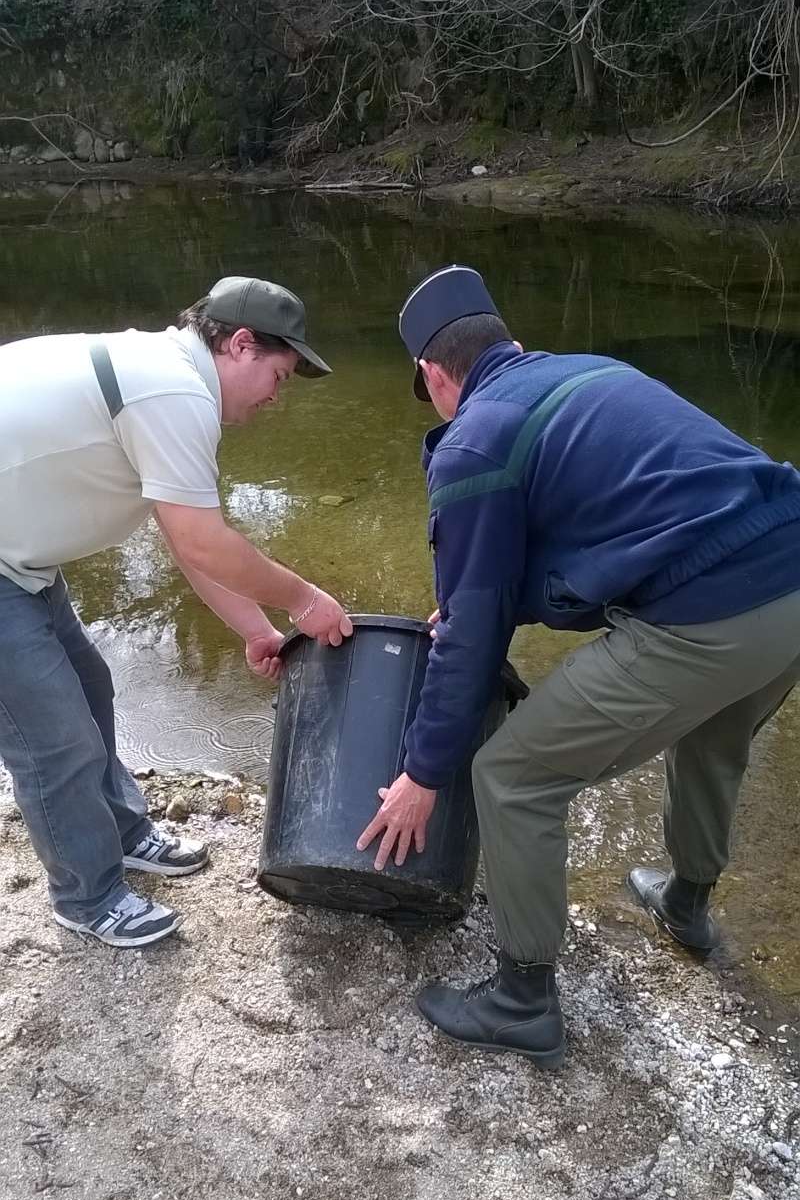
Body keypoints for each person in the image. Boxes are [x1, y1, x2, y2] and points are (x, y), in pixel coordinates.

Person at [357, 264, 800, 1069]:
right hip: (789, 576)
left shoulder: (475, 440)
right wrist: (473, 603)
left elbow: (470, 645)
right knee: (712, 737)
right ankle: (687, 905)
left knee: (514, 775)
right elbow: (615, 525)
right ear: (510, 343)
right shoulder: (587, 373)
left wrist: (424, 772)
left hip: (711, 612)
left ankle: (523, 997)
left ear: (432, 373)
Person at [0, 275, 352, 949]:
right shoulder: (175, 391)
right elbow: (201, 540)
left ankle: (124, 835)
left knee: (90, 687)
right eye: (278, 374)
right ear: (241, 344)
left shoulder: (166, 376)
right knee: (54, 736)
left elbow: (186, 541)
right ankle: (87, 894)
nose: (277, 395)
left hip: (21, 559)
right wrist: (304, 600)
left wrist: (257, 628)